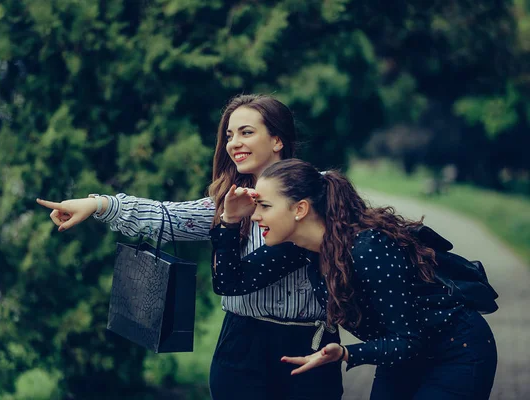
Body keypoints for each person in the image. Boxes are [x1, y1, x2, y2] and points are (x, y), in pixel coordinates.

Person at [36, 95, 343, 400]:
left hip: (310, 342)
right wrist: (100, 204)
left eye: (246, 132)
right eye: (229, 135)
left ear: (277, 140)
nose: (233, 143)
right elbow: (168, 217)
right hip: (242, 344)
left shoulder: (316, 194)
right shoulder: (228, 202)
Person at [211, 158, 497, 400]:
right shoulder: (304, 248)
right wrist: (229, 220)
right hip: (398, 356)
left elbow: (409, 339)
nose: (256, 216)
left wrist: (345, 352)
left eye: (265, 206)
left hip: (455, 351)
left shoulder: (367, 247)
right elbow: (230, 283)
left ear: (299, 209)